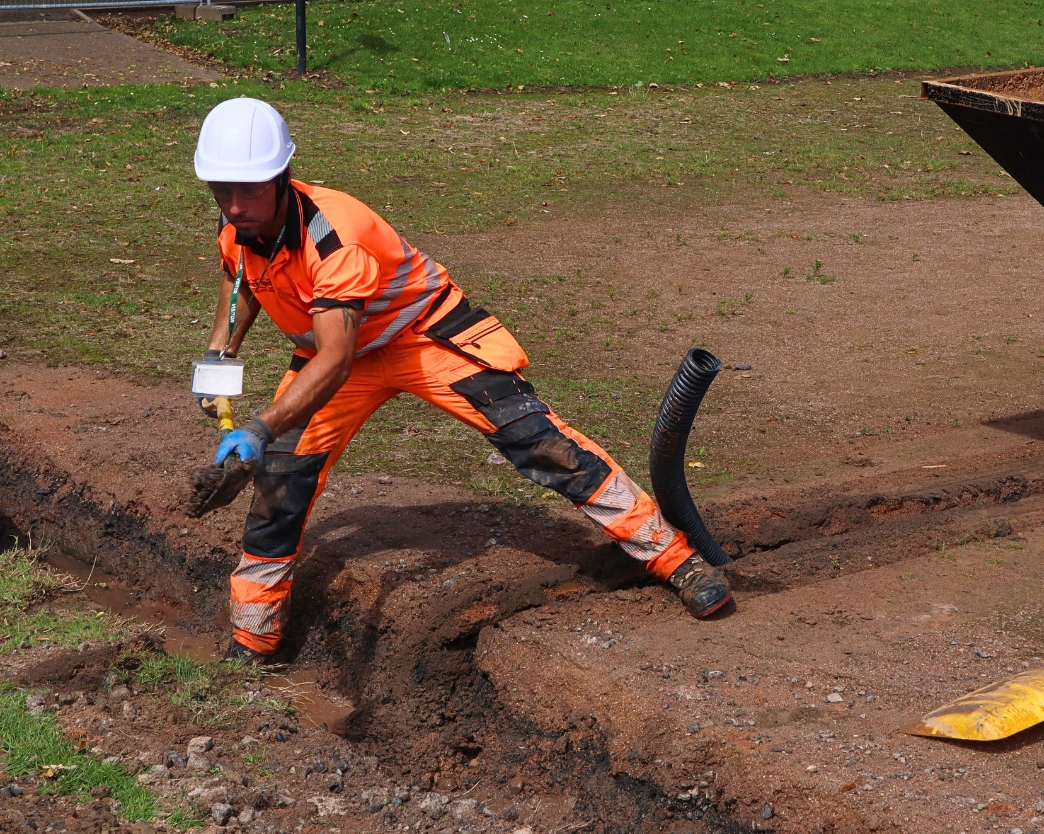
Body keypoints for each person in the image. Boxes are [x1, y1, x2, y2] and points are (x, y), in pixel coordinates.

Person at [193, 97, 731, 663]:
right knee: (280, 479)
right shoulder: (239, 224)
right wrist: (218, 354)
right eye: (221, 189)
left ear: (283, 176)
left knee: (537, 441)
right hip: (338, 351)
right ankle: (254, 640)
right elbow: (245, 278)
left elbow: (334, 360)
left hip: (424, 335)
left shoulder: (334, 237)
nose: (234, 204)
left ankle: (675, 559)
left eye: (248, 189)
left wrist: (260, 426)